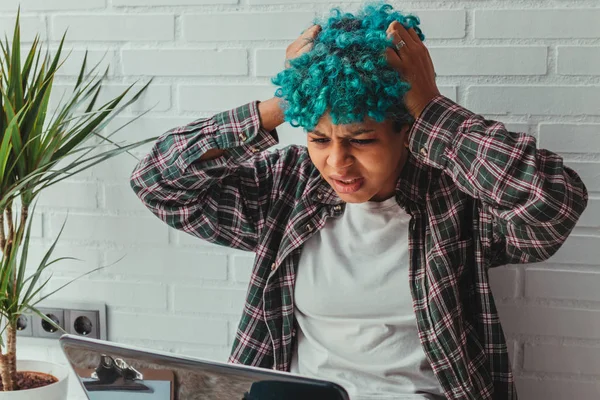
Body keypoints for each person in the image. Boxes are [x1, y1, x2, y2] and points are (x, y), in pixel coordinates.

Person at [130, 3, 588, 399]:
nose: (336, 164)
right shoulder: (288, 186)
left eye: (361, 141)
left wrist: (430, 108)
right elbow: (158, 182)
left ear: (406, 132)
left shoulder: (455, 199)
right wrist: (284, 103)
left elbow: (553, 203)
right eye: (318, 138)